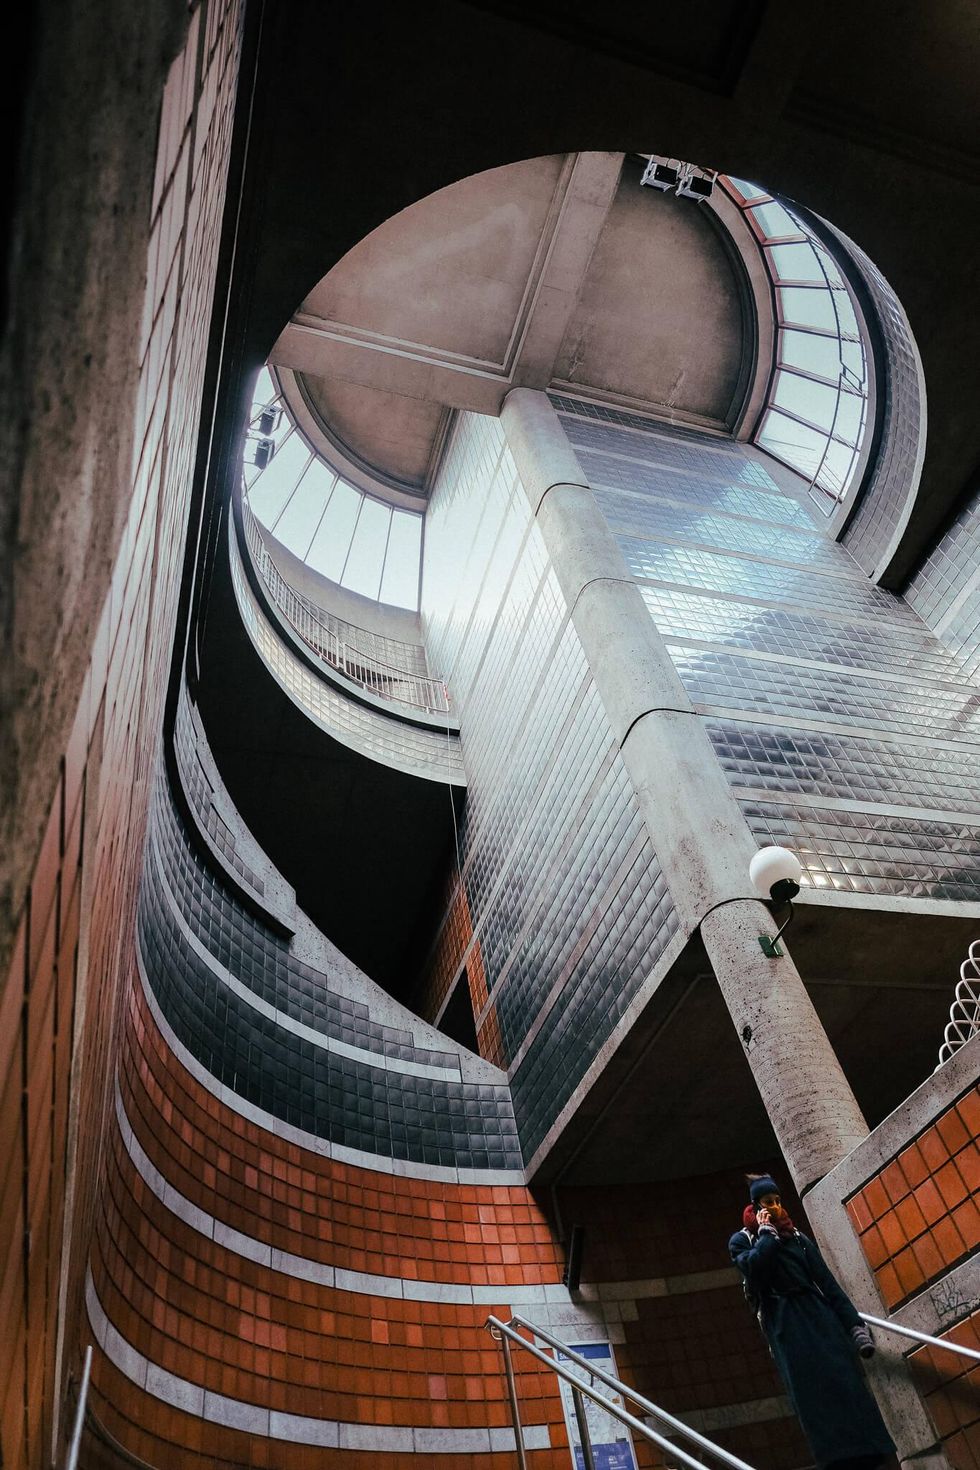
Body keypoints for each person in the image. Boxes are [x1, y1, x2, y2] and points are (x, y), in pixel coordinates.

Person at [729, 1174, 896, 1470]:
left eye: (779, 1201)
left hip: (820, 1318)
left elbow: (826, 1282)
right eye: (770, 1202)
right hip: (785, 1322)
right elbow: (755, 1268)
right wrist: (767, 1233)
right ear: (756, 1207)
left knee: (846, 1384)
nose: (778, 1207)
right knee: (811, 1395)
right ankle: (837, 1461)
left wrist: (854, 1326)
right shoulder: (743, 1240)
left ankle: (872, 1456)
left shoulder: (796, 1237)